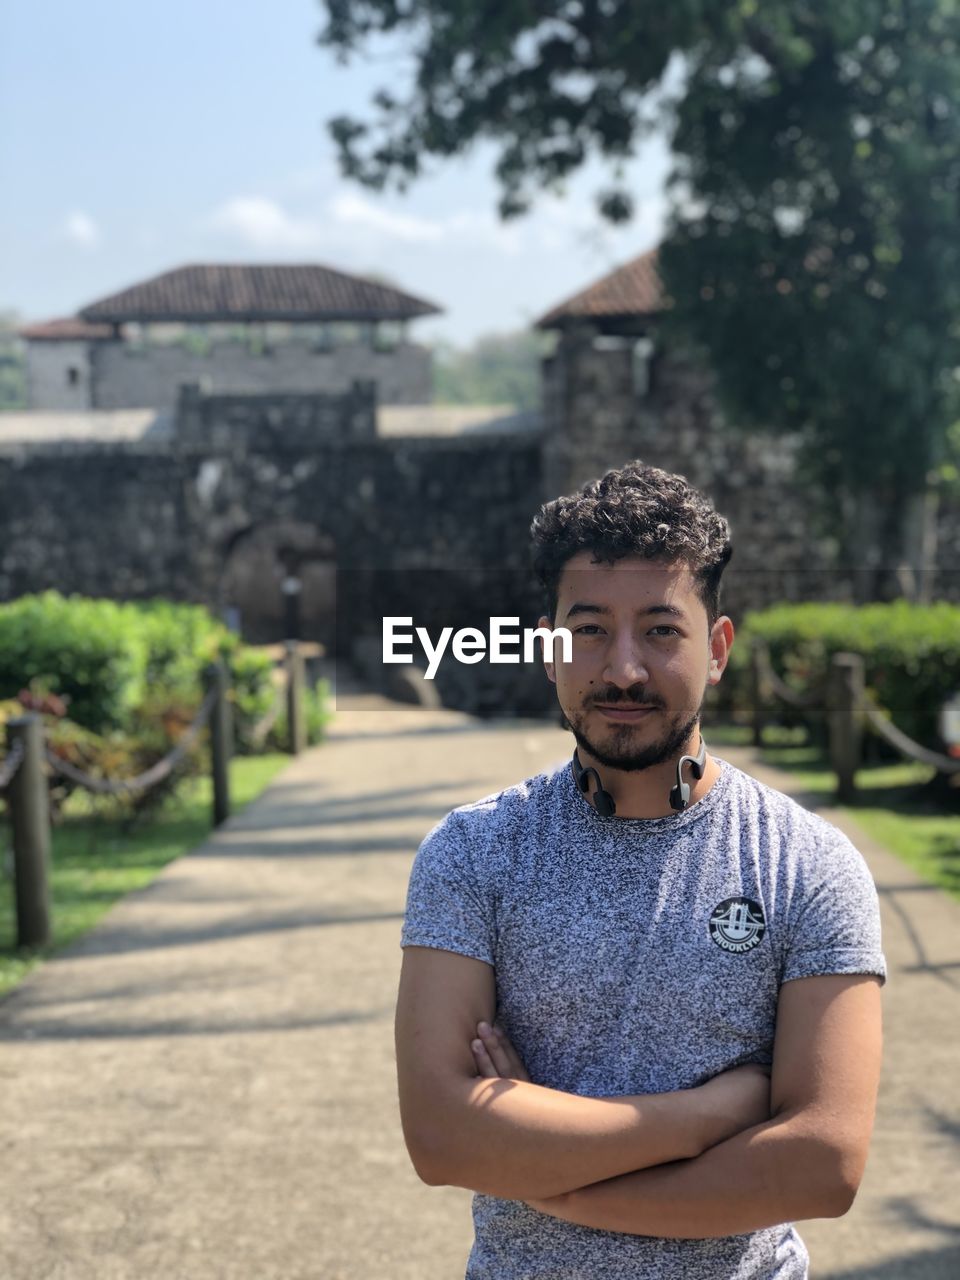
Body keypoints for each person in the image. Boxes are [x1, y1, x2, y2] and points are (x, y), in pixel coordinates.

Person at [396, 460, 885, 1279]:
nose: (622, 669)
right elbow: (444, 1136)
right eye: (589, 630)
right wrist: (711, 1113)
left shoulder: (808, 862)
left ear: (718, 647)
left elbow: (823, 1163)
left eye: (661, 630)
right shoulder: (473, 852)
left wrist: (556, 1184)